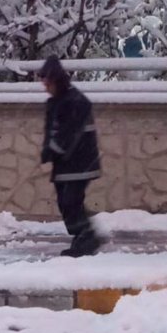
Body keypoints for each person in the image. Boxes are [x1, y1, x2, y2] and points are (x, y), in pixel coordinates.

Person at [39, 56, 102, 257]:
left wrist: (55, 149)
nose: (45, 87)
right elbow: (52, 131)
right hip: (63, 165)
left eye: (47, 83)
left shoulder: (77, 101)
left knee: (71, 200)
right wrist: (46, 149)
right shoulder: (54, 103)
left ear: (57, 80)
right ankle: (82, 236)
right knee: (64, 202)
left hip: (81, 162)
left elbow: (70, 132)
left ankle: (87, 237)